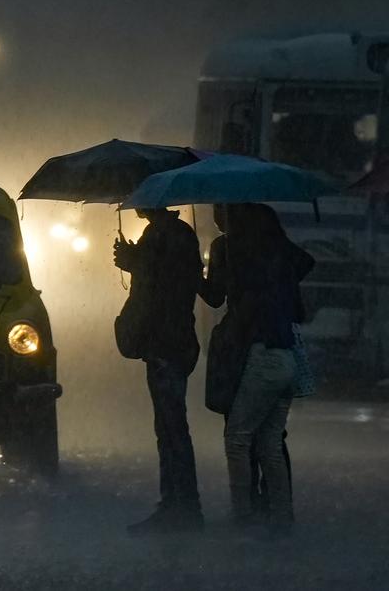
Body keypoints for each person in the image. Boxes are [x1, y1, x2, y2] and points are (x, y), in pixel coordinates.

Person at [201, 204, 313, 538]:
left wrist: (196, 272)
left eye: (220, 209)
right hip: (287, 354)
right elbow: (307, 262)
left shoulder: (229, 248)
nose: (215, 216)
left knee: (237, 439)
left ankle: (244, 516)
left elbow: (213, 296)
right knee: (271, 441)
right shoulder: (275, 253)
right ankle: (281, 516)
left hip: (258, 356)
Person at [113, 207, 204, 535]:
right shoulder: (180, 235)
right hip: (178, 341)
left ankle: (180, 507)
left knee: (170, 429)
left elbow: (158, 287)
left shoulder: (163, 236)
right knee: (171, 427)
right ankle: (180, 506)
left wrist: (133, 261)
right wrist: (137, 259)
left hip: (166, 344)